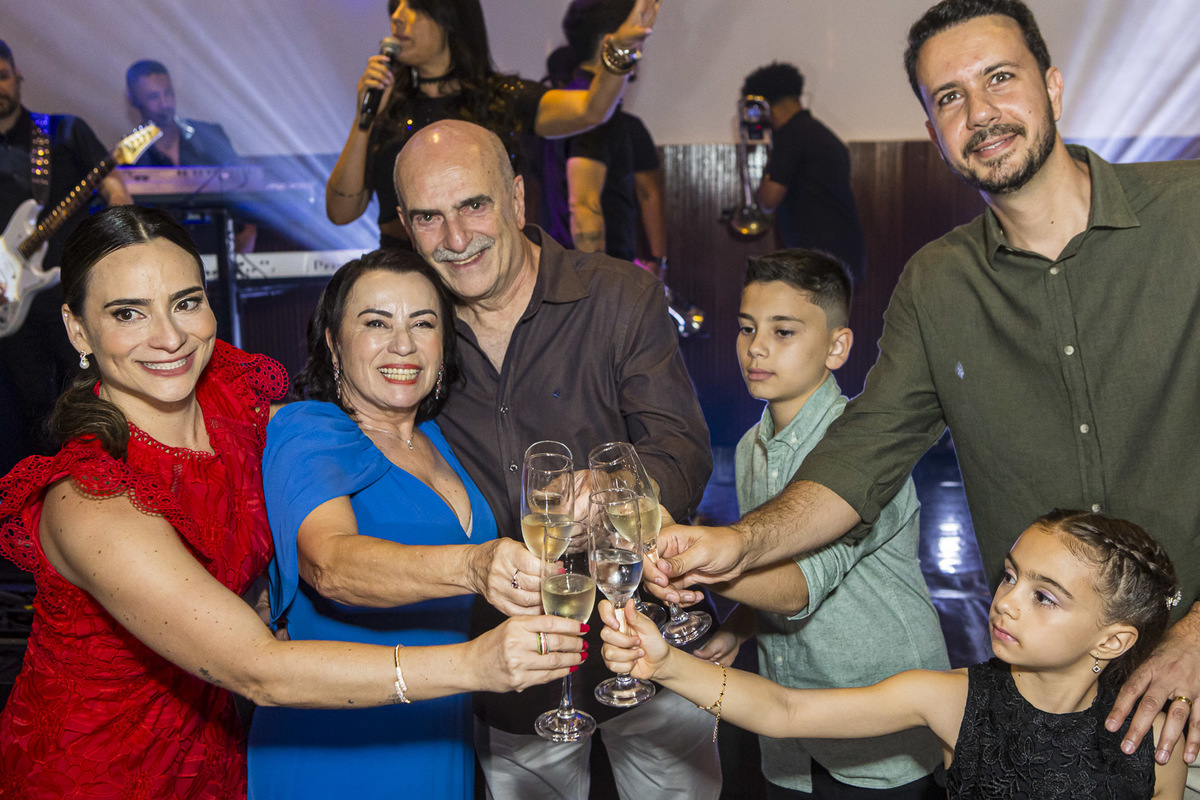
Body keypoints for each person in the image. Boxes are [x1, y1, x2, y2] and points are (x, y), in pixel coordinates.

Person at [652, 0, 1200, 777]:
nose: (980, 112)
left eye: (1000, 78)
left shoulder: (1188, 214)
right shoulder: (939, 283)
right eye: (950, 97)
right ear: (932, 130)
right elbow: (863, 455)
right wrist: (738, 543)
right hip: (1043, 712)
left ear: (1052, 85)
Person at [0, 205, 584, 797]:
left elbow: (288, 501)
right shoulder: (91, 500)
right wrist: (475, 663)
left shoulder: (233, 405)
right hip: (100, 765)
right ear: (78, 330)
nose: (169, 337)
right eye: (128, 313)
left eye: (186, 302)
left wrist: (267, 592)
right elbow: (261, 666)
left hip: (214, 749)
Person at [393, 119, 719, 799]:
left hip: (644, 643)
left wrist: (614, 489)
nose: (456, 238)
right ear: (405, 225)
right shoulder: (410, 334)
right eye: (429, 217)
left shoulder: (619, 296)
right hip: (512, 668)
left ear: (516, 199)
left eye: (473, 205)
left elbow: (684, 452)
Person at [248, 248, 556, 799]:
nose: (404, 345)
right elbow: (329, 564)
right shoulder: (310, 428)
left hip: (439, 729)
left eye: (423, 323)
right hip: (339, 747)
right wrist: (474, 565)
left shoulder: (435, 437)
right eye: (376, 323)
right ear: (332, 342)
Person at [611, 511, 1189, 800]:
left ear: (1111, 640)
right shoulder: (954, 699)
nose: (1006, 601)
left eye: (1044, 597)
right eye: (1011, 576)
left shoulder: (1152, 736)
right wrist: (666, 664)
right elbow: (786, 710)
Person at [695, 249, 948, 798]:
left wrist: (678, 562)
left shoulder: (869, 447)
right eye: (746, 328)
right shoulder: (750, 447)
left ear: (837, 347)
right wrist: (737, 626)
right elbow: (767, 567)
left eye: (783, 331)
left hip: (879, 732)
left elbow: (798, 588)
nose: (756, 347)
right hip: (788, 738)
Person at [325, 0, 660, 249]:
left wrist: (622, 50)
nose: (397, 17)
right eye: (395, 8)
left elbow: (590, 110)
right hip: (407, 287)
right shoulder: (387, 108)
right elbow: (341, 212)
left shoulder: (500, 99)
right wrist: (363, 120)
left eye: (413, 6)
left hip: (484, 282)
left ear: (450, 16)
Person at [0, 39, 132, 472]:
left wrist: (120, 225)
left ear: (18, 77)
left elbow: (114, 189)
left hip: (72, 294)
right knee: (27, 413)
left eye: (3, 76)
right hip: (10, 307)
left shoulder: (64, 131)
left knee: (89, 395)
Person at [741, 62, 866, 285]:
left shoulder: (790, 137)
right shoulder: (819, 132)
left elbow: (768, 200)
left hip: (819, 258)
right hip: (841, 253)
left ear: (764, 105)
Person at [125, 59, 257, 253]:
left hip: (221, 250)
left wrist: (245, 239)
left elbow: (245, 191)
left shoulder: (209, 137)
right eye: (153, 97)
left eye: (168, 93)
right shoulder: (131, 158)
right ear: (134, 100)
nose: (165, 104)